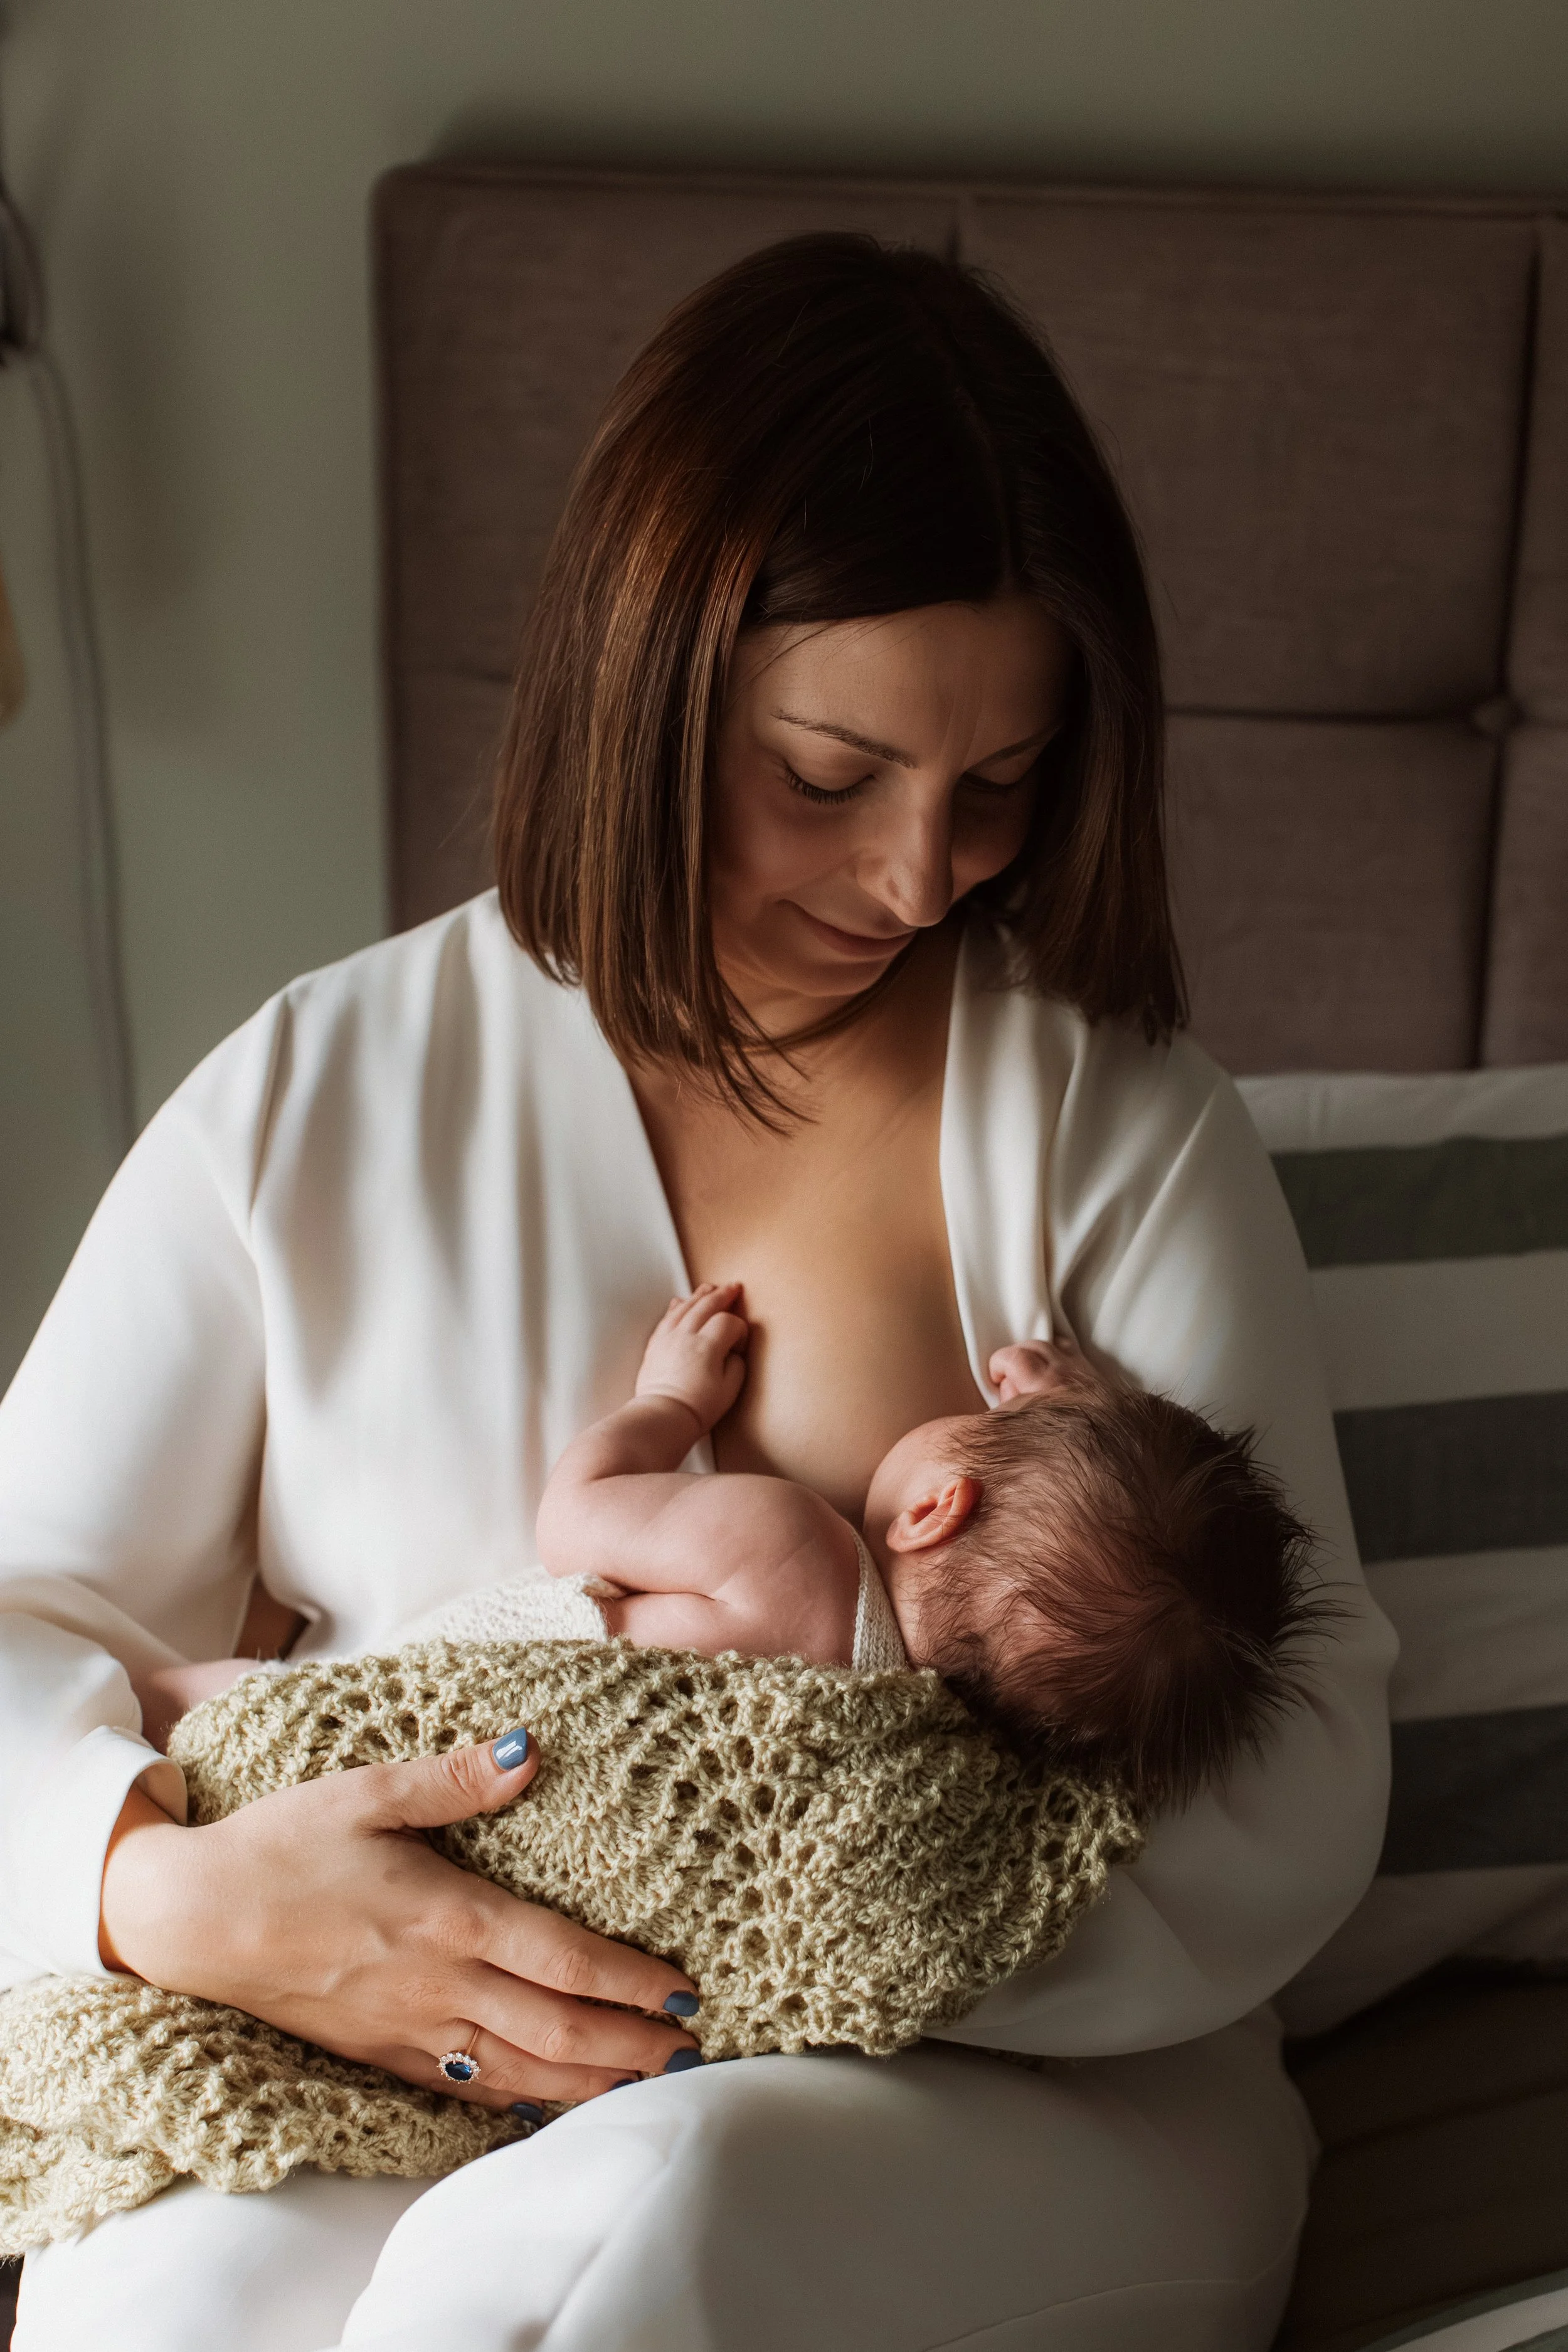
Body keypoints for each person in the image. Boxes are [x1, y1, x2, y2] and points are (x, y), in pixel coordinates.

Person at [0, 233, 1394, 2351]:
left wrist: (786, 1912)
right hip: (386, 2048)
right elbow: (23, 1602)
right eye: (830, 777)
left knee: (650, 2214)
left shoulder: (1111, 1120)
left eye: (998, 786)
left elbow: (1295, 1744)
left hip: (1002, 2092)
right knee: (177, 2294)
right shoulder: (312, 1099)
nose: (922, 876)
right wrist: (163, 1887)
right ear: (643, 688)